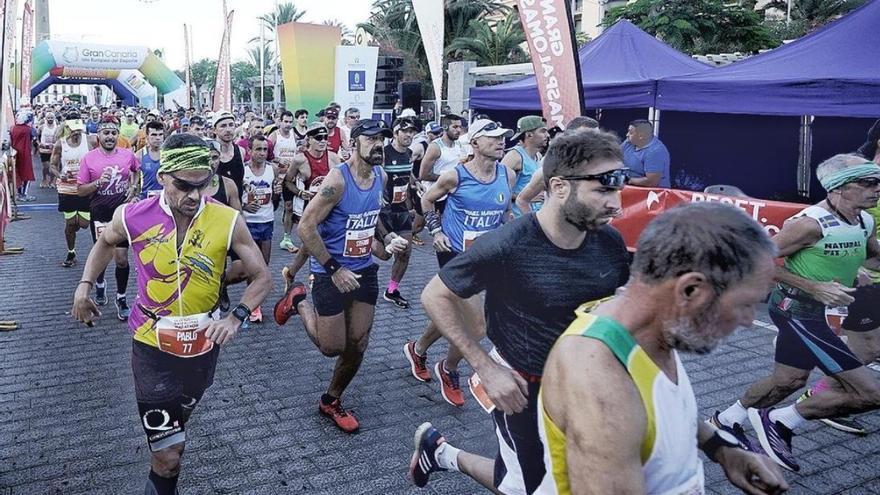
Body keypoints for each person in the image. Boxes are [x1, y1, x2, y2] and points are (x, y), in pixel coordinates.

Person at [408, 129, 632, 494]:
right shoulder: (508, 245)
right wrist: (486, 367)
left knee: (541, 484)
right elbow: (434, 296)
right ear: (559, 187)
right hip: (522, 392)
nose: (617, 204)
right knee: (536, 489)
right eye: (604, 189)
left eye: (619, 188)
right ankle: (443, 454)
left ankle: (440, 453)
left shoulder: (610, 242)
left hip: (583, 385)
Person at [516, 203, 787, 495]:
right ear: (690, 290)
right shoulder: (599, 379)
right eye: (745, 304)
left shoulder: (655, 327)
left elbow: (658, 412)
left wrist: (721, 449)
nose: (748, 321)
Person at [70, 134, 271, 495]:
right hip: (151, 344)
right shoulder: (133, 216)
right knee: (169, 456)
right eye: (184, 185)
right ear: (163, 176)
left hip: (203, 346)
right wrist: (84, 285)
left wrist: (236, 316)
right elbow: (104, 242)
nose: (195, 195)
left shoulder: (226, 220)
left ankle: (163, 451)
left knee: (174, 433)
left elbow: (262, 276)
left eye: (203, 184)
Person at [711, 154, 880, 472]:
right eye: (868, 182)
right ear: (839, 188)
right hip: (797, 310)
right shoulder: (809, 224)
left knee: (788, 381)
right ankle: (780, 420)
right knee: (871, 393)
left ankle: (725, 420)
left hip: (814, 312)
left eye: (878, 182)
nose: (877, 189)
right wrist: (813, 286)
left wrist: (858, 267)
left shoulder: (863, 219)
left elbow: (869, 253)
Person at [273, 119, 406, 433]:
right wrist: (334, 269)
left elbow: (373, 216)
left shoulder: (381, 175)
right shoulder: (338, 180)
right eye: (371, 139)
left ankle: (331, 400)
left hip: (364, 271)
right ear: (354, 143)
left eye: (382, 139)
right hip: (329, 272)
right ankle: (300, 301)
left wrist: (386, 238)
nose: (379, 145)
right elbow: (306, 226)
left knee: (357, 344)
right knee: (331, 347)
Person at [406, 119, 517, 407]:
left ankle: (417, 349)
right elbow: (427, 200)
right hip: (455, 255)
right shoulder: (455, 176)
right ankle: (449, 368)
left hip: (488, 256)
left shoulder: (507, 174)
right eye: (493, 137)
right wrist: (435, 230)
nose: (501, 141)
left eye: (503, 137)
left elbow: (505, 214)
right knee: (478, 327)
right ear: (475, 142)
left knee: (452, 313)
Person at [76, 116, 139, 319]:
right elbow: (80, 191)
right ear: (99, 135)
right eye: (106, 133)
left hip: (120, 213)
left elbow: (136, 172)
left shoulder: (127, 155)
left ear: (117, 135)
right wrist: (96, 184)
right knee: (103, 254)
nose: (110, 137)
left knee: (121, 259)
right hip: (99, 214)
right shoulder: (89, 158)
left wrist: (133, 187)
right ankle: (100, 284)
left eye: (113, 133)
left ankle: (121, 298)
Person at [513, 116, 600, 214]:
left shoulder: (603, 166)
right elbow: (522, 200)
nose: (593, 142)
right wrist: (535, 227)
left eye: (597, 137)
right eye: (587, 137)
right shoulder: (552, 167)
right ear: (570, 138)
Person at [240, 135, 280, 323]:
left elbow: (276, 200)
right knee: (251, 267)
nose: (262, 153)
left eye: (265, 149)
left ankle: (255, 300)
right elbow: (234, 196)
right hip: (247, 223)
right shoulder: (243, 170)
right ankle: (253, 306)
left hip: (267, 221)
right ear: (250, 151)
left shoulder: (273, 169)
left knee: (263, 266)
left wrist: (278, 194)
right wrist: (244, 207)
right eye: (258, 149)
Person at [49, 116, 95, 267]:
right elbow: (52, 166)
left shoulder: (90, 141)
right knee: (69, 225)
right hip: (66, 188)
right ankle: (71, 252)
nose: (77, 134)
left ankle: (74, 222)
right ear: (68, 129)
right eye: (74, 131)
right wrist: (60, 174)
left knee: (83, 224)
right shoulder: (60, 144)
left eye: (79, 131)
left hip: (84, 187)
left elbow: (98, 159)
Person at [501, 116, 548, 217]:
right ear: (529, 134)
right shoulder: (514, 156)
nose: (547, 135)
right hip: (517, 220)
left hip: (534, 216)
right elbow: (497, 190)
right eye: (543, 131)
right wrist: (525, 197)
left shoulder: (538, 156)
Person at [418, 114, 465, 209]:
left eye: (460, 127)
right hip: (432, 195)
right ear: (445, 127)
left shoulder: (459, 145)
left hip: (450, 193)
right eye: (455, 127)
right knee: (421, 224)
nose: (459, 130)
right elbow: (423, 175)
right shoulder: (435, 147)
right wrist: (446, 179)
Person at [410, 121, 443, 246]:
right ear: (428, 134)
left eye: (440, 132)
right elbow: (407, 163)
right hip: (423, 187)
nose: (438, 135)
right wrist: (414, 181)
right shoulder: (420, 146)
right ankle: (408, 234)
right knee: (420, 224)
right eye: (435, 133)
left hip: (437, 188)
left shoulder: (441, 146)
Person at [270, 110, 299, 252]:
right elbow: (266, 155)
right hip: (276, 176)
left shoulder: (294, 135)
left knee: (289, 207)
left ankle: (286, 238)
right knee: (272, 205)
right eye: (285, 121)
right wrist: (278, 160)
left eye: (290, 122)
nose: (288, 124)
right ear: (280, 122)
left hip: (289, 177)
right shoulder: (274, 135)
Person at [622, 119, 670, 188]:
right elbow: (615, 155)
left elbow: (651, 182)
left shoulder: (656, 152)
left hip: (652, 194)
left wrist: (628, 180)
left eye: (630, 132)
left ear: (641, 136)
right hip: (629, 187)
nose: (627, 135)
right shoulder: (629, 142)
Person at [214, 112, 247, 194]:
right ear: (214, 130)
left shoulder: (241, 151)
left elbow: (238, 177)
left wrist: (245, 184)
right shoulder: (209, 153)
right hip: (217, 204)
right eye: (223, 126)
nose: (228, 130)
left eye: (231, 125)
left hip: (237, 204)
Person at [10, 111, 36, 202]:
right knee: (26, 174)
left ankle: (19, 192)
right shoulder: (29, 129)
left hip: (15, 152)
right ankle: (24, 194)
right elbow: (33, 139)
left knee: (17, 173)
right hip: (25, 153)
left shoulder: (12, 128)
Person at [137, 121, 166, 199]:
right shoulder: (139, 155)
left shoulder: (168, 154)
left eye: (160, 134)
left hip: (165, 200)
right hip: (145, 199)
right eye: (154, 134)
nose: (158, 138)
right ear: (147, 136)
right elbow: (134, 182)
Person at [38, 111, 59, 188]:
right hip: (44, 150)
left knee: (53, 166)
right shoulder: (42, 127)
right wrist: (39, 143)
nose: (50, 119)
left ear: (54, 118)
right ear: (46, 119)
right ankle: (44, 179)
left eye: (51, 118)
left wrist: (56, 144)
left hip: (54, 149)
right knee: (46, 166)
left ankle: (52, 181)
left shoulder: (57, 127)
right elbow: (37, 137)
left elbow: (59, 137)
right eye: (48, 118)